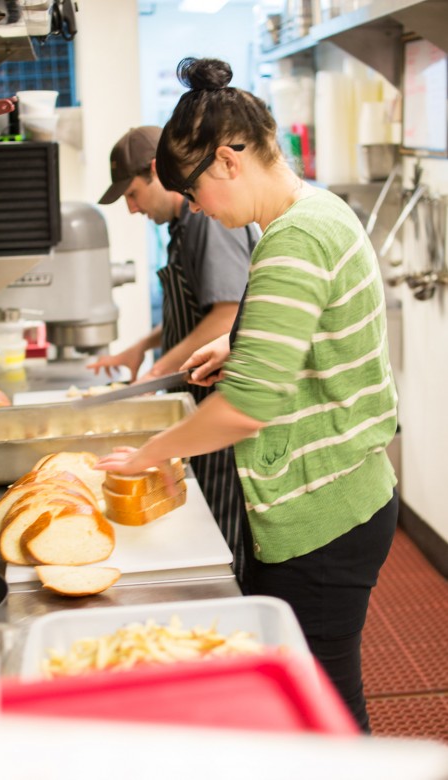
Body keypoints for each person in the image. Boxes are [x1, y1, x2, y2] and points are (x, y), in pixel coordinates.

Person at [95, 59, 399, 732]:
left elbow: (245, 409)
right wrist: (242, 343)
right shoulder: (318, 211)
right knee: (308, 689)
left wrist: (147, 456)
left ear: (228, 161)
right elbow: (324, 328)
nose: (199, 210)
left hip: (322, 515)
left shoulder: (291, 239)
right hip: (349, 493)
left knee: (319, 705)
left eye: (196, 192)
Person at [90, 125, 257, 581]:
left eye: (133, 192)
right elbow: (200, 308)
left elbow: (225, 316)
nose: (131, 207)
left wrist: (162, 367)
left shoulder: (208, 223)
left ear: (157, 171)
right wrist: (142, 347)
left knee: (222, 537)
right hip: (197, 399)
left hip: (224, 405)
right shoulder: (182, 227)